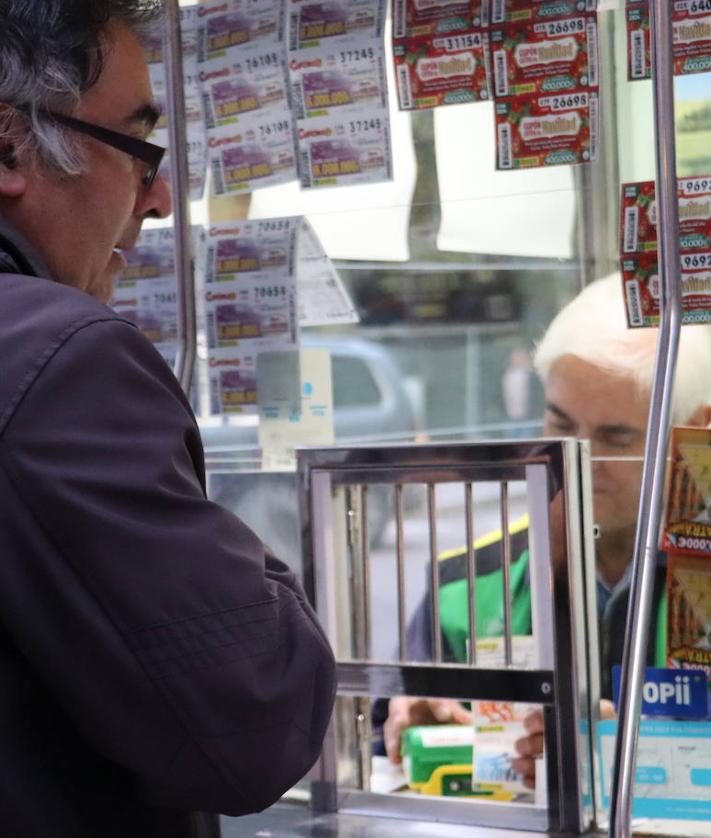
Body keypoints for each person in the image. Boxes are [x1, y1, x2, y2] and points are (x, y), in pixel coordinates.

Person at [0, 3, 335, 837]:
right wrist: (249, 568)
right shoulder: (58, 357)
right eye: (137, 148)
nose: (158, 198)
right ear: (8, 144)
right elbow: (253, 720)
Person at [383, 274, 711, 776]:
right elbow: (388, 746)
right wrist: (421, 724)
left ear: (694, 432)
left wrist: (628, 753)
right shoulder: (468, 584)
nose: (577, 460)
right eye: (560, 425)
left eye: (616, 437)